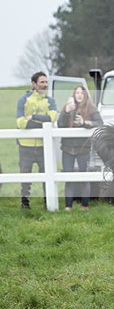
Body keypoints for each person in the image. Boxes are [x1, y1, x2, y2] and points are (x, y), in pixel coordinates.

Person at [16, 71, 57, 209]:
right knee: (25, 175)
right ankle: (25, 202)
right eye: (42, 82)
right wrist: (41, 121)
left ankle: (48, 202)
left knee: (47, 174)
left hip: (43, 145)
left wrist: (32, 117)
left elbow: (51, 119)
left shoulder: (50, 101)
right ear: (34, 84)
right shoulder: (23, 100)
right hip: (25, 145)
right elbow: (20, 123)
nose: (45, 85)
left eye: (46, 82)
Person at [57, 85, 103, 210]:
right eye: (76, 92)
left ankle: (85, 206)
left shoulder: (91, 108)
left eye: (81, 92)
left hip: (83, 148)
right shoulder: (67, 107)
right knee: (68, 178)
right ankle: (68, 207)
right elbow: (60, 124)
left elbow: (100, 123)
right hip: (67, 148)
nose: (79, 94)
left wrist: (84, 123)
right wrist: (65, 112)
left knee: (84, 177)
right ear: (73, 94)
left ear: (85, 95)